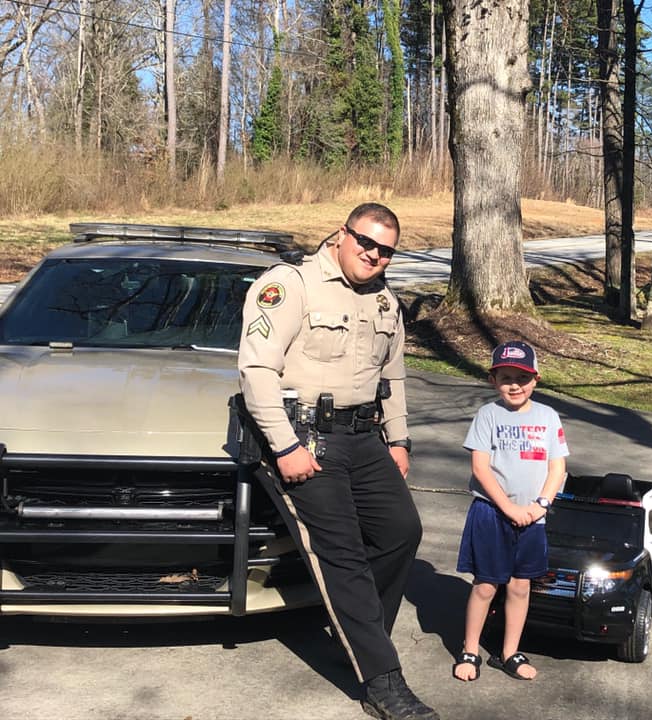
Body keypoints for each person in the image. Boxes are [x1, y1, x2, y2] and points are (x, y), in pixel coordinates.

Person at [237, 203, 437, 720]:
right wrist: (284, 447)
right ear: (341, 235)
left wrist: (399, 442)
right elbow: (257, 370)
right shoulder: (291, 284)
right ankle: (382, 682)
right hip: (303, 436)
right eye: (365, 242)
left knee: (401, 532)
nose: (373, 255)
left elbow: (392, 380)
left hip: (364, 435)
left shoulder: (387, 301)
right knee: (342, 553)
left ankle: (357, 630)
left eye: (386, 250)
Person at [452, 340, 569, 682]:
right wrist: (508, 507)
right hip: (492, 513)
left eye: (522, 377)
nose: (514, 384)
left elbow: (557, 468)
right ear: (493, 380)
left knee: (520, 586)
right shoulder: (488, 415)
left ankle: (508, 653)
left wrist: (539, 506)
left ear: (535, 380)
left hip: (533, 517)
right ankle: (470, 649)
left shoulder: (548, 417)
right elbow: (481, 468)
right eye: (506, 377)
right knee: (487, 585)